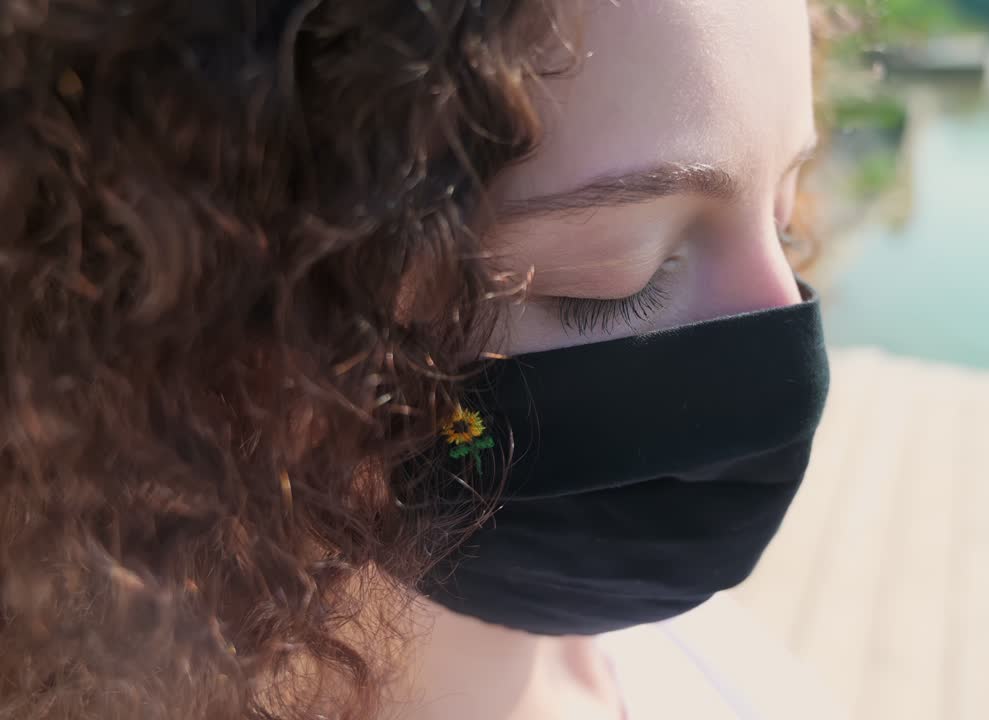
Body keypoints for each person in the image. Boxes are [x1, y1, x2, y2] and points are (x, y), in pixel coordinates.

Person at [0, 1, 836, 718]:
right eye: (617, 281)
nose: (788, 352)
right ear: (229, 324)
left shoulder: (709, 666)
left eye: (784, 215)